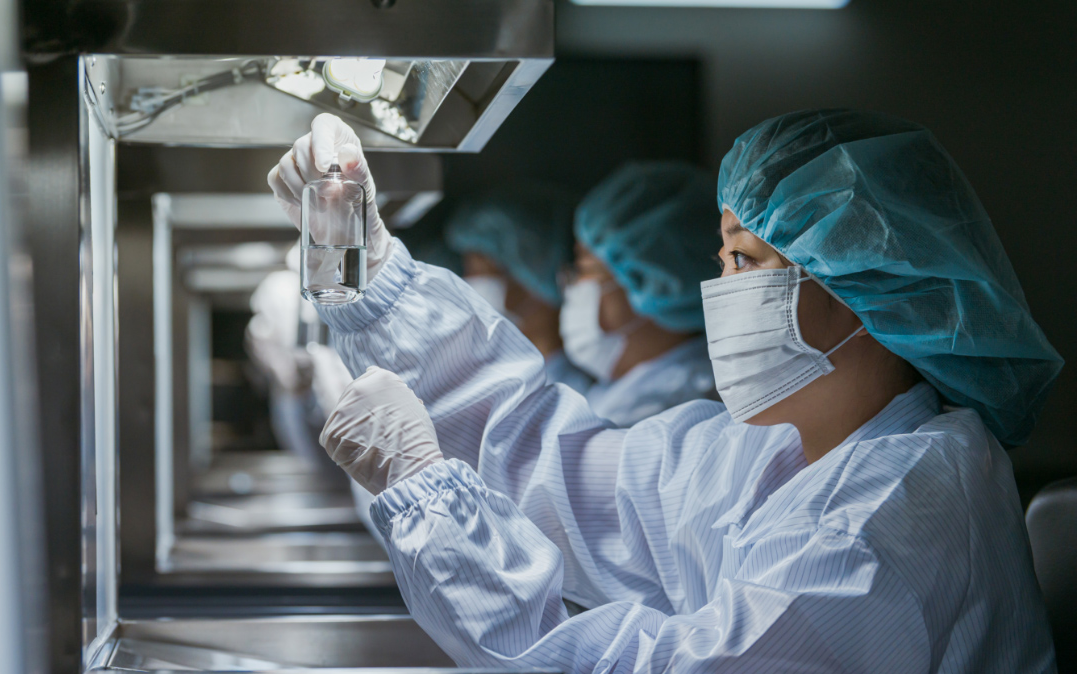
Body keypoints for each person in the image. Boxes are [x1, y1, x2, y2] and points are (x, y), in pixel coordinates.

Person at [269, 111, 1063, 672]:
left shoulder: (893, 513)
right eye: (723, 260)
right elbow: (550, 465)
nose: (719, 289)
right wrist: (368, 278)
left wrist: (425, 497)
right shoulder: (764, 452)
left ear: (865, 285)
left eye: (745, 262)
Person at [564, 162, 721, 425]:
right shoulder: (618, 396)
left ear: (657, 279)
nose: (575, 285)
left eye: (584, 269)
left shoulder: (664, 413)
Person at [444, 186, 592, 392]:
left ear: (531, 271)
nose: (468, 282)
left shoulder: (575, 392)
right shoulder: (515, 384)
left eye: (479, 269)